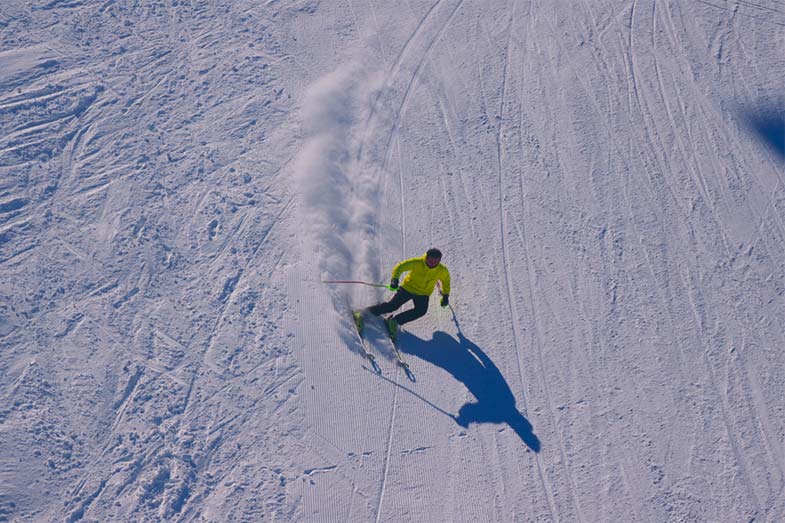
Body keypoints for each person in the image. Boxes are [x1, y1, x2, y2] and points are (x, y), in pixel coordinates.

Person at [366, 248, 451, 340]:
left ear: (439, 261)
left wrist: (446, 295)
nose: (432, 263)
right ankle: (367, 311)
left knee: (421, 311)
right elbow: (400, 267)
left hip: (423, 294)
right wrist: (395, 279)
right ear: (426, 257)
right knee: (393, 306)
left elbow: (446, 281)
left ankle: (395, 321)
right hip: (408, 288)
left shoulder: (442, 270)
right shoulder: (417, 263)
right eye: (430, 260)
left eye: (435, 262)